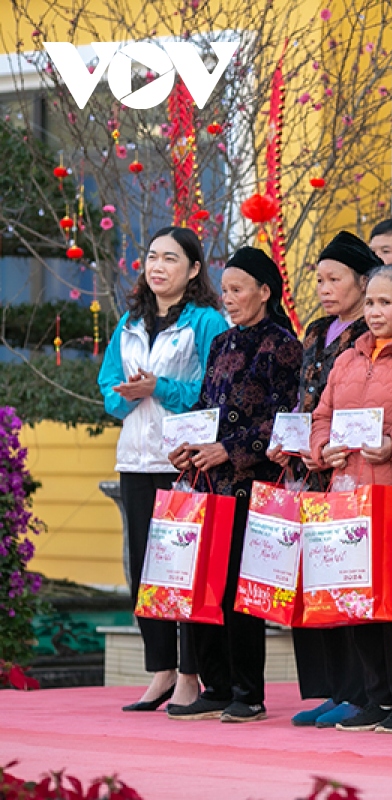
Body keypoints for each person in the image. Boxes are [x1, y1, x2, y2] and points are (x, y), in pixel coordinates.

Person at [165, 247, 303, 723]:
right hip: (209, 480)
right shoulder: (222, 343)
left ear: (265, 292)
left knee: (240, 590)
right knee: (204, 581)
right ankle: (216, 684)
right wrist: (188, 445)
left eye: (238, 290)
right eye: (225, 291)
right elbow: (206, 406)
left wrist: (230, 449)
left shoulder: (283, 344)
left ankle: (249, 691)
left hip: (251, 482)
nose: (229, 299)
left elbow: (284, 419)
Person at [308, 264, 392, 734]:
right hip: (349, 491)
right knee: (357, 594)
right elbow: (321, 416)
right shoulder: (348, 358)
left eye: (386, 303)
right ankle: (376, 698)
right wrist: (321, 448)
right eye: (370, 302)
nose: (375, 311)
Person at [98, 226, 227, 713]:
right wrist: (124, 395)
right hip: (135, 458)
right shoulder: (129, 321)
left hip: (185, 462)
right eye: (152, 256)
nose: (157, 266)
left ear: (193, 269)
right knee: (146, 571)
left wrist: (160, 388)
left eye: (170, 259)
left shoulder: (207, 322)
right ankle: (161, 671)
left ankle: (192, 675)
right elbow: (108, 382)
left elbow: (214, 391)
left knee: (186, 570)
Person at [267, 231, 380, 729]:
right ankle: (332, 688)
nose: (325, 288)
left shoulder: (371, 332)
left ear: (363, 281)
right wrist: (287, 439)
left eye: (335, 279)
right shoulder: (315, 331)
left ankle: (359, 690)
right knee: (318, 583)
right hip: (310, 464)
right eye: (319, 279)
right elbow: (302, 400)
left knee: (348, 580)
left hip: (349, 466)